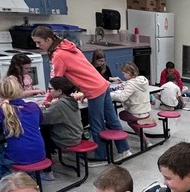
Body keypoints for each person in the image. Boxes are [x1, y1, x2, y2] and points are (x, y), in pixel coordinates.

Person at [34, 25, 128, 163]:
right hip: (102, 84)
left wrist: (47, 101)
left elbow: (55, 81)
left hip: (93, 89)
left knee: (96, 124)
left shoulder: (58, 55)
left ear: (48, 40)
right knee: (112, 119)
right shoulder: (67, 45)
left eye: (39, 42)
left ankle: (101, 156)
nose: (37, 46)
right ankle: (124, 150)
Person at [0, 76, 46, 178]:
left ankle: (12, 180)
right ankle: (27, 175)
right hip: (40, 152)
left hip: (19, 156)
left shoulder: (1, 109)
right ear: (20, 90)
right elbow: (39, 121)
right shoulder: (33, 106)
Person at [40, 75, 85, 166]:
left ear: (59, 91)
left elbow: (44, 119)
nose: (48, 91)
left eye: (50, 89)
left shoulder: (59, 105)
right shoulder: (71, 100)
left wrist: (41, 109)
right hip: (76, 136)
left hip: (67, 140)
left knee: (42, 133)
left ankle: (47, 170)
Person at [112, 62, 152, 150]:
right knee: (131, 122)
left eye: (124, 73)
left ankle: (118, 136)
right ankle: (146, 141)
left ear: (129, 73)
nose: (123, 76)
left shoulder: (130, 84)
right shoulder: (143, 80)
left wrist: (111, 95)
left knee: (122, 115)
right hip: (146, 112)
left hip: (137, 113)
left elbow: (122, 97)